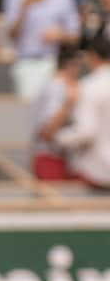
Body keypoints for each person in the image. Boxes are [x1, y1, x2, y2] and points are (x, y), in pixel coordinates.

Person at [2, 0, 81, 100]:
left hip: (55, 63)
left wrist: (60, 35)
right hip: (26, 62)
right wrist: (23, 9)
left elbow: (75, 36)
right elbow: (11, 35)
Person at [55, 35, 110, 188]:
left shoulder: (89, 86)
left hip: (97, 172)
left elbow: (86, 132)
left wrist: (57, 138)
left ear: (92, 56)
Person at [30, 42, 81, 179]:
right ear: (71, 66)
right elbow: (47, 132)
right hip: (50, 158)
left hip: (55, 157)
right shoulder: (56, 88)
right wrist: (68, 104)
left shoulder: (53, 86)